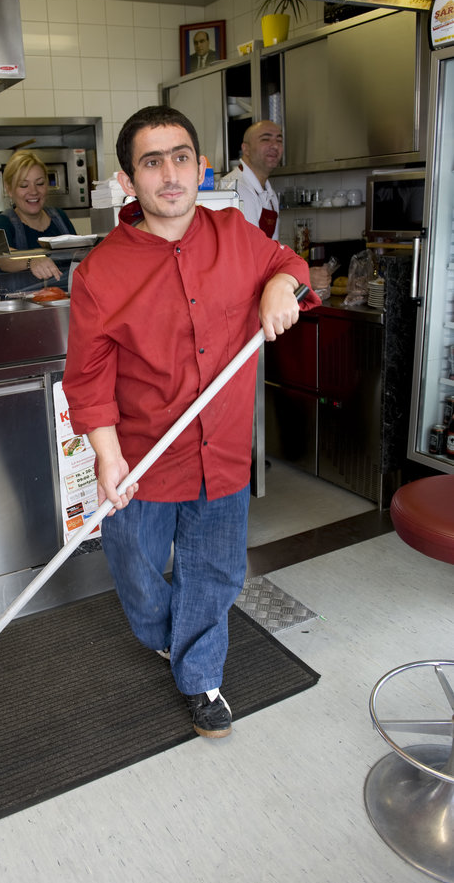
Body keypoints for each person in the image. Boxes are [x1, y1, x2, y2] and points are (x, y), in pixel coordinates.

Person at [63, 105, 320, 739]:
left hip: (223, 451)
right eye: (151, 162)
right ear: (129, 181)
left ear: (201, 166)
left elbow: (289, 266)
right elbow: (88, 377)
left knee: (216, 571)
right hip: (143, 456)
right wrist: (105, 452)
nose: (170, 174)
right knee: (140, 579)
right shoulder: (100, 273)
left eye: (181, 157)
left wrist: (279, 286)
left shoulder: (236, 234)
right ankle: (165, 634)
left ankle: (201, 676)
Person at [224, 121, 331, 291]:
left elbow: (270, 251)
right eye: (265, 139)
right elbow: (248, 258)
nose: (274, 146)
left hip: (260, 292)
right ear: (246, 149)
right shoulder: (234, 190)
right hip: (239, 294)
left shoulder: (269, 193)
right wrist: (299, 275)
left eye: (279, 140)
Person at [0, 149, 76, 293]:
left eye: (40, 183)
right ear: (9, 189)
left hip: (65, 304)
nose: (34, 191)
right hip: (22, 311)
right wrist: (32, 260)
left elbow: (78, 255)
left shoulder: (60, 217)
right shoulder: (2, 223)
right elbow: (2, 259)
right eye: (24, 185)